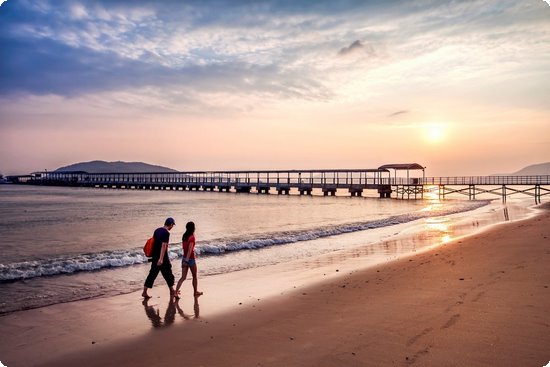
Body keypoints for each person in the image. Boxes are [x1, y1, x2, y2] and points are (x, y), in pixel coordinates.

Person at [142, 217, 176, 299]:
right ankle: (172, 290)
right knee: (168, 274)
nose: (172, 227)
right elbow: (164, 246)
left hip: (155, 256)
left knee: (152, 274)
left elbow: (154, 243)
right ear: (171, 224)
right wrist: (161, 259)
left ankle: (144, 292)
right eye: (172, 225)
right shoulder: (166, 233)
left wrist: (156, 257)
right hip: (162, 257)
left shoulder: (157, 230)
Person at [175, 221, 203, 298]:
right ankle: (195, 292)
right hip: (190, 259)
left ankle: (176, 292)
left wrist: (184, 260)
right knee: (194, 276)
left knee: (183, 277)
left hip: (184, 258)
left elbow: (185, 248)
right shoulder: (192, 237)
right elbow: (190, 249)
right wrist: (187, 261)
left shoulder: (184, 236)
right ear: (193, 228)